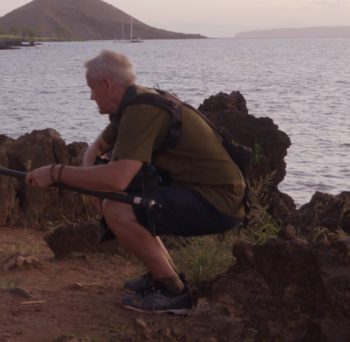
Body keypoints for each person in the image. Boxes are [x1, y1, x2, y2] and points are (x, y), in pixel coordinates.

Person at [26, 50, 246, 315]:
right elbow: (96, 147)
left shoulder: (142, 110)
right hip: (202, 193)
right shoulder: (135, 102)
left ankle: (175, 294)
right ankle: (164, 277)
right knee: (115, 201)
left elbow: (118, 179)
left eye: (92, 89)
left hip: (218, 203)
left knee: (118, 208)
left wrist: (55, 173)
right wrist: (91, 189)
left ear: (107, 84)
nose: (91, 96)